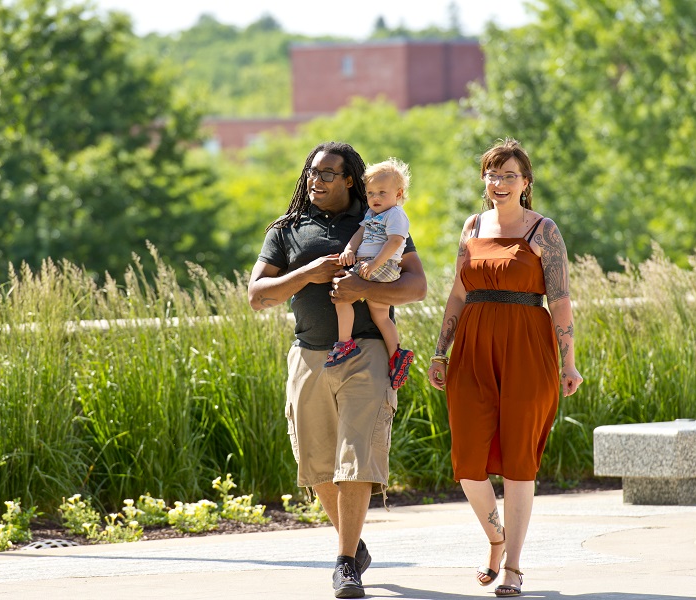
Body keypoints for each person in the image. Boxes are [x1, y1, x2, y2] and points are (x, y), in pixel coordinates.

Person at [248, 141, 427, 599]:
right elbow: (258, 294)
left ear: (351, 180)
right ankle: (354, 544)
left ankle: (345, 563)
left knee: (357, 459)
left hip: (364, 352)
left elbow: (417, 286)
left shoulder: (377, 218)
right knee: (318, 464)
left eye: (328, 173)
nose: (317, 180)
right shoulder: (286, 229)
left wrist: (360, 285)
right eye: (312, 172)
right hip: (309, 354)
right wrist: (309, 272)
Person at [426, 138, 583, 598]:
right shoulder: (472, 226)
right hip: (472, 349)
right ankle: (495, 537)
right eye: (492, 174)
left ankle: (513, 565)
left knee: (519, 461)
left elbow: (560, 300)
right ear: (484, 180)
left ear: (526, 182)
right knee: (468, 461)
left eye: (509, 174)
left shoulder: (543, 232)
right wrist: (441, 351)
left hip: (527, 349)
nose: (499, 182)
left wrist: (568, 362)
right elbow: (457, 293)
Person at [331, 158, 415, 390]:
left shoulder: (395, 214)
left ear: (398, 194)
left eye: (381, 193)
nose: (375, 198)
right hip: (372, 265)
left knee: (342, 290)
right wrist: (349, 249)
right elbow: (360, 233)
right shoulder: (371, 214)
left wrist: (376, 263)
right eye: (370, 193)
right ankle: (396, 355)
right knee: (381, 316)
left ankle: (344, 343)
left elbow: (396, 241)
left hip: (381, 265)